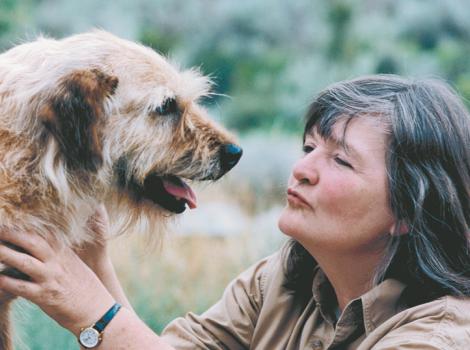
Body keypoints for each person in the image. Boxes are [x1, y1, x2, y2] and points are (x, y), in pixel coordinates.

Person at [0, 74, 469, 349]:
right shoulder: (281, 281)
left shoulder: (442, 335)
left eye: (340, 160)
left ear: (408, 209)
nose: (302, 169)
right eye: (308, 147)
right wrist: (95, 263)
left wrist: (95, 316)